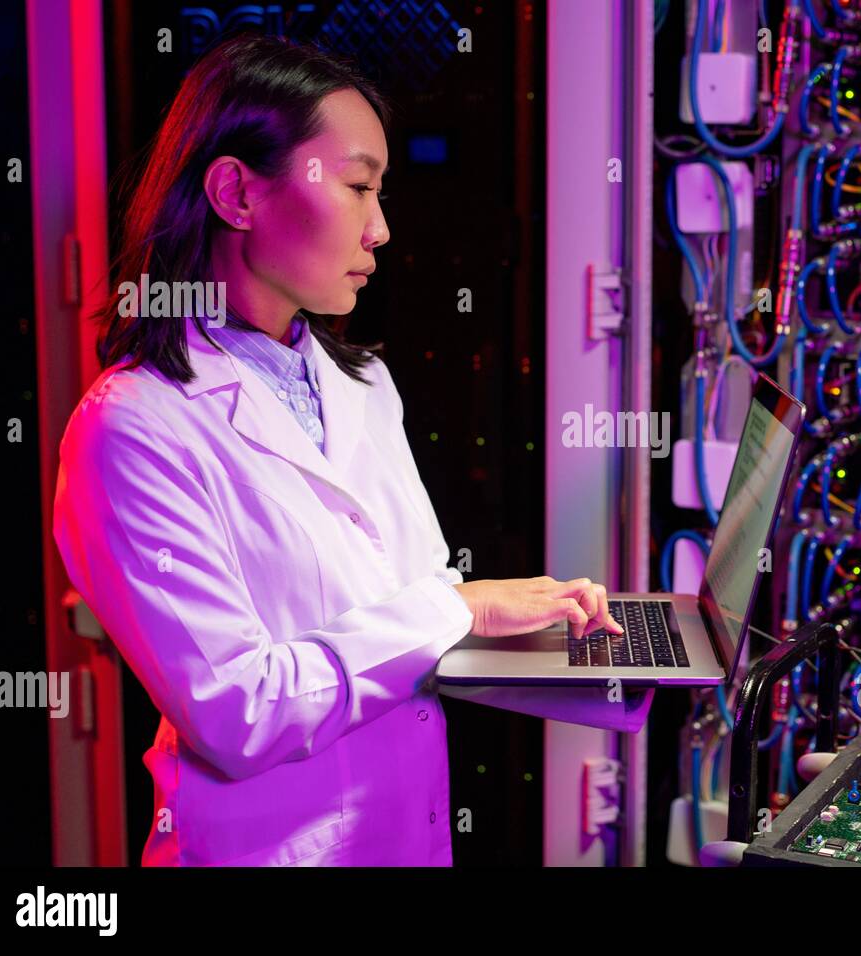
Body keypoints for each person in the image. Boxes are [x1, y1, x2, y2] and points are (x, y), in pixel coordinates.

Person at [52, 32, 621, 866]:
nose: (381, 229)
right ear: (236, 194)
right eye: (357, 187)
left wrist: (568, 655)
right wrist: (465, 608)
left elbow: (412, 619)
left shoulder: (361, 386)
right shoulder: (133, 428)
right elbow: (238, 711)